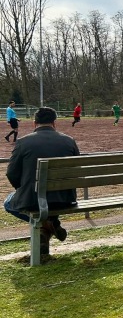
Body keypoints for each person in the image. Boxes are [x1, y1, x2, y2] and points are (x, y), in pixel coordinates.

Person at [4, 107, 79, 256]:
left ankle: (47, 225)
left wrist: (22, 188)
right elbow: (75, 170)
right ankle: (50, 225)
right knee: (49, 202)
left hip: (33, 200)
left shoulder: (23, 143)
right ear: (54, 123)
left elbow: (11, 173)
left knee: (8, 203)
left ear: (34, 123)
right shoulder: (69, 141)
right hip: (65, 198)